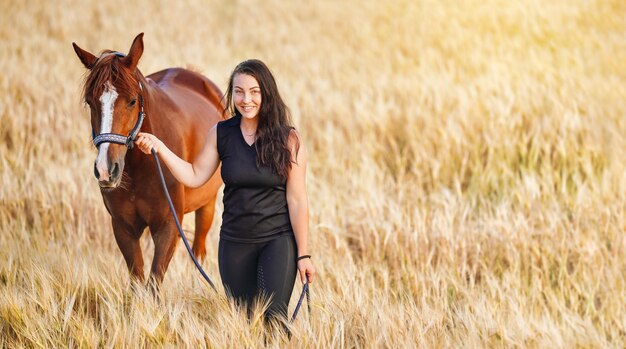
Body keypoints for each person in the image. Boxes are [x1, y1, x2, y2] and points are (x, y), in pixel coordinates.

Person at [135, 59, 315, 325]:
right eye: (239, 91)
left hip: (277, 241)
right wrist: (160, 148)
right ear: (232, 94)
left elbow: (297, 200)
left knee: (275, 320)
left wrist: (304, 255)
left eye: (254, 91)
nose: (247, 100)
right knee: (244, 322)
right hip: (234, 244)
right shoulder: (221, 133)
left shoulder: (289, 140)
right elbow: (195, 176)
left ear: (267, 93)